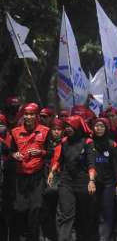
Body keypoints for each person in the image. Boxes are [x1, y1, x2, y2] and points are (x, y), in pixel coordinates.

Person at [6, 102, 51, 241]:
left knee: (35, 209)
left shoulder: (45, 131)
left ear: (36, 116)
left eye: (31, 114)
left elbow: (52, 152)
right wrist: (14, 155)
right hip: (21, 176)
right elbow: (9, 151)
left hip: (37, 176)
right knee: (20, 209)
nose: (28, 117)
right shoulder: (15, 132)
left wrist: (41, 152)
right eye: (26, 114)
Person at [48, 115, 97, 240]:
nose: (68, 129)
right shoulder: (64, 141)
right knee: (66, 214)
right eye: (67, 126)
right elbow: (60, 160)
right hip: (66, 182)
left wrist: (91, 181)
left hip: (83, 182)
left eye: (70, 126)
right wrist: (52, 172)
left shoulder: (87, 142)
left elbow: (91, 164)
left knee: (83, 214)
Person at [92, 117, 117, 241]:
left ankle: (105, 237)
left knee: (107, 212)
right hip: (93, 183)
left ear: (106, 128)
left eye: (102, 126)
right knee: (93, 211)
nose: (99, 128)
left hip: (108, 184)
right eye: (96, 126)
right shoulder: (89, 143)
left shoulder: (112, 144)